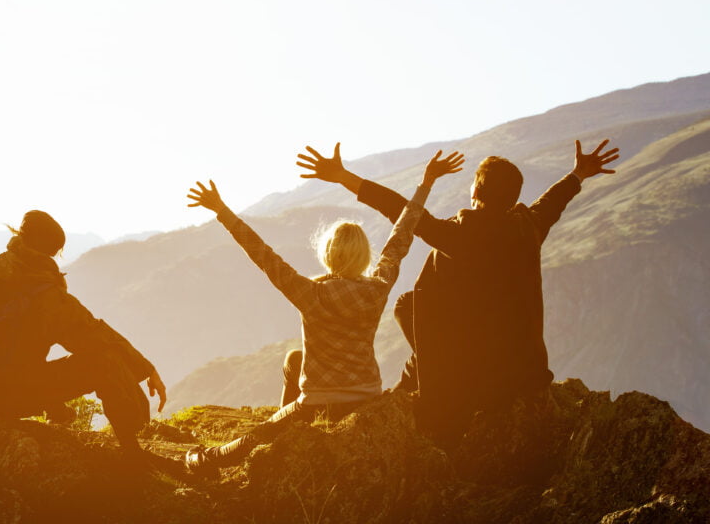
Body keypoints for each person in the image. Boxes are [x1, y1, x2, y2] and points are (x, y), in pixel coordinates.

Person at [295, 140, 620, 443]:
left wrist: (342, 176)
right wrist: (579, 174)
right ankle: (415, 375)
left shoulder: (461, 234)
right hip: (526, 372)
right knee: (422, 300)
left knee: (409, 304)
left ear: (476, 188)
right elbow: (552, 202)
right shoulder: (529, 226)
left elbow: (400, 210)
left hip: (477, 379)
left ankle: (420, 381)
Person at [182, 150, 463, 472]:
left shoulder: (308, 292)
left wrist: (221, 210)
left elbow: (261, 253)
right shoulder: (378, 287)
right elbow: (402, 233)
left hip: (318, 404)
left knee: (257, 436)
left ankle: (206, 460)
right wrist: (426, 183)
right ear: (364, 254)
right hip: (367, 398)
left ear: (327, 253)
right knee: (294, 360)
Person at [0, 179, 167, 452]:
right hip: (7, 396)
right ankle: (133, 450)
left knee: (23, 359)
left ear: (19, 236)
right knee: (104, 362)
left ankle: (57, 412)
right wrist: (146, 368)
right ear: (53, 252)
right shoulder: (49, 298)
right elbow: (97, 336)